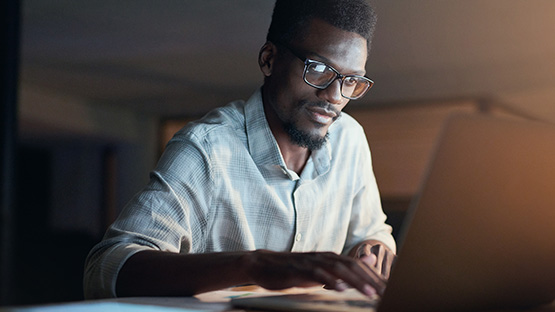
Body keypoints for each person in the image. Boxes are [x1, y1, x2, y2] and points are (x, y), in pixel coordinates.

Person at [84, 0, 396, 299]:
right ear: (269, 59)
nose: (334, 96)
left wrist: (373, 248)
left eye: (351, 80)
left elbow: (371, 232)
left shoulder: (349, 139)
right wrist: (253, 265)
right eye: (318, 69)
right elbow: (108, 268)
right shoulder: (206, 149)